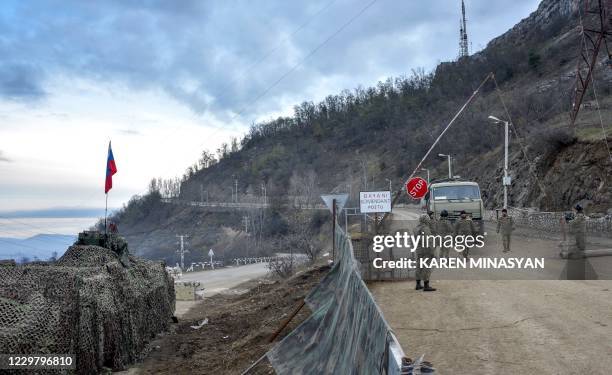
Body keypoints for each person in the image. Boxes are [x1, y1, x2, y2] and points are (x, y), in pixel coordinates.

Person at [414, 214, 436, 292]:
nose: (429, 220)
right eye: (428, 219)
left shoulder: (416, 228)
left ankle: (418, 284)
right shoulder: (425, 228)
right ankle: (426, 285)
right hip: (426, 250)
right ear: (426, 220)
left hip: (419, 250)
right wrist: (432, 252)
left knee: (419, 266)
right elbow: (428, 240)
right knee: (427, 267)